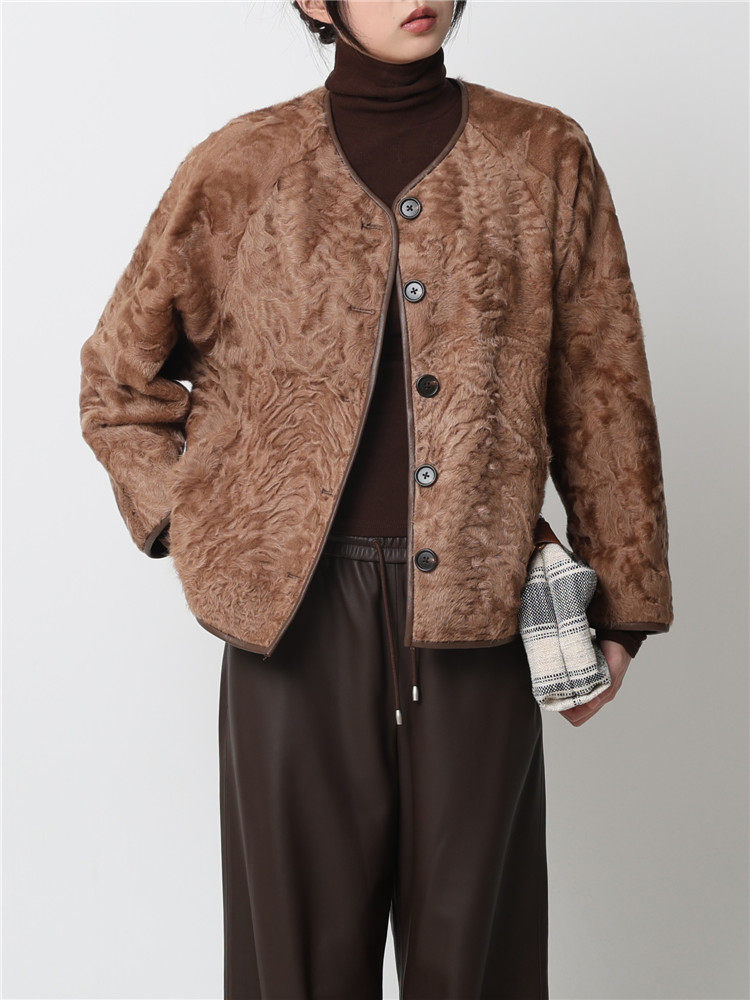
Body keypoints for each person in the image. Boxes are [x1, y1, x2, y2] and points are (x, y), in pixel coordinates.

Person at [79, 1, 674, 996]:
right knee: (294, 971)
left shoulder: (544, 155)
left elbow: (603, 387)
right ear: (315, 1)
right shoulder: (240, 167)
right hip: (292, 628)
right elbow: (116, 380)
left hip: (479, 614)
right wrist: (205, 528)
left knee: (476, 968)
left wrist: (624, 607)